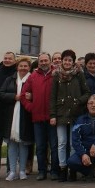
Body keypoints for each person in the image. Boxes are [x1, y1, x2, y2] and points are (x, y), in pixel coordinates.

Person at [50, 49, 90, 182]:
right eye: (65, 60)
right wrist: (52, 115)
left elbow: (86, 93)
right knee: (61, 142)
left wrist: (78, 101)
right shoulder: (56, 75)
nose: (67, 62)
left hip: (75, 113)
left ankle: (73, 168)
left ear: (73, 62)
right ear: (62, 61)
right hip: (61, 113)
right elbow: (52, 97)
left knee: (74, 143)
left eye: (70, 60)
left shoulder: (79, 74)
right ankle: (62, 169)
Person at [22, 52, 59, 181]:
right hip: (37, 118)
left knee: (54, 145)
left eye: (45, 60)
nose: (43, 63)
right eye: (41, 61)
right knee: (40, 146)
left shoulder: (56, 74)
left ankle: (55, 171)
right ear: (38, 62)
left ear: (50, 61)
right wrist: (30, 107)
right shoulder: (32, 76)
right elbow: (23, 95)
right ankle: (42, 171)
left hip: (53, 117)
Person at [0, 56, 34, 181]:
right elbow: (1, 94)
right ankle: (13, 171)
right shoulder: (10, 79)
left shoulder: (32, 79)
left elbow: (38, 95)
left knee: (23, 144)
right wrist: (14, 96)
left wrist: (31, 97)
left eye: (25, 66)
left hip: (26, 115)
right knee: (12, 143)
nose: (23, 68)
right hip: (11, 115)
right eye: (21, 66)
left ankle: (23, 170)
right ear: (17, 67)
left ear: (29, 67)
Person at [0, 51, 17, 179]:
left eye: (9, 58)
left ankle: (10, 170)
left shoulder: (17, 74)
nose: (7, 60)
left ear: (14, 60)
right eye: (5, 58)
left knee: (11, 144)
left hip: (11, 114)